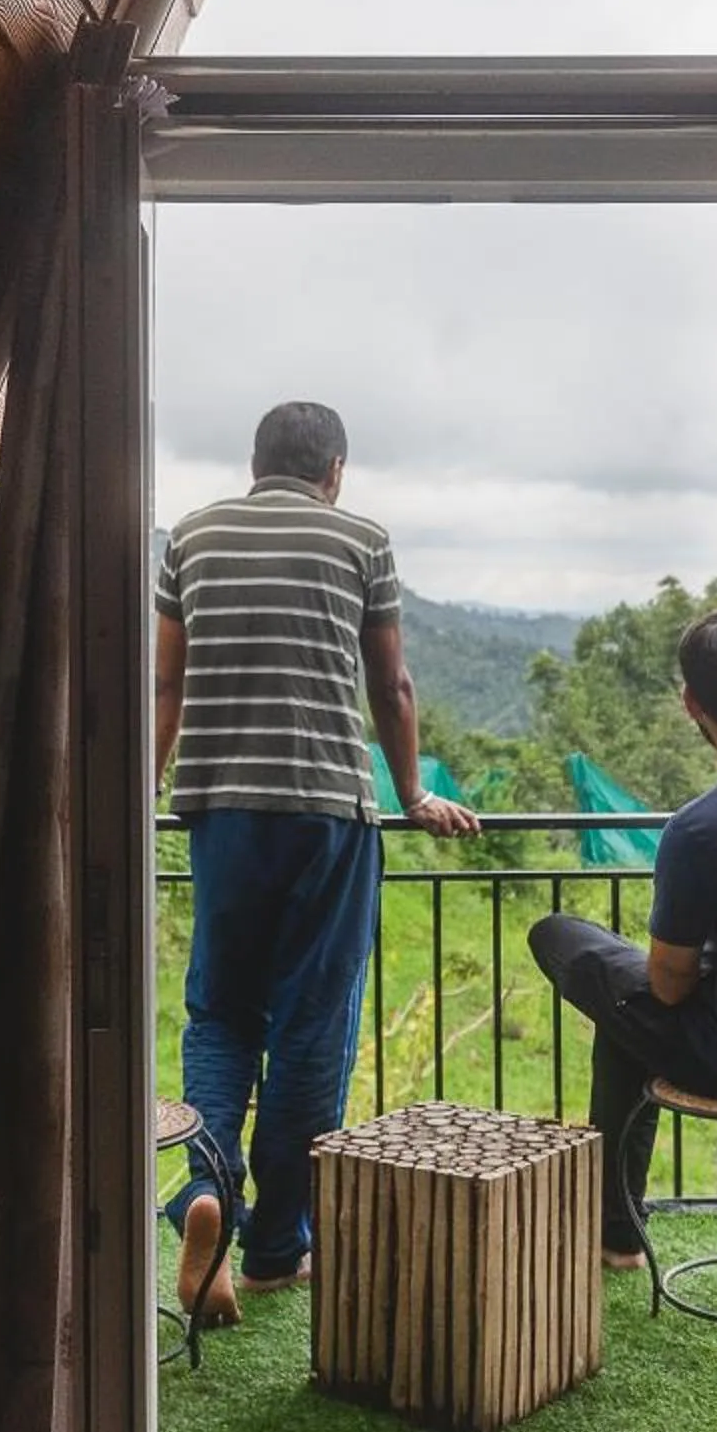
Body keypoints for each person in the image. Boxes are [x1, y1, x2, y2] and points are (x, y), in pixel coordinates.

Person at [154, 400, 475, 1320]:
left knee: (219, 1012)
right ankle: (273, 1249)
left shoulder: (190, 538)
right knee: (310, 1027)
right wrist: (413, 795)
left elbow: (167, 681)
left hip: (220, 810)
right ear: (333, 470)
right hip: (329, 812)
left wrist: (148, 789)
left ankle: (207, 1190)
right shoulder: (360, 540)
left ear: (255, 464)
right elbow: (393, 682)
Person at [528, 608, 717, 1265]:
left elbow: (666, 986)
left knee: (566, 941)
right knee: (626, 1016)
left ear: (692, 703)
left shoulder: (699, 829)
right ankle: (616, 1235)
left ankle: (617, 1237)